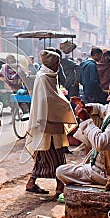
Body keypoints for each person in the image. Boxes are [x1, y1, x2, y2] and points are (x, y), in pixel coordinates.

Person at [25, 50, 77, 196]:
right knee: (56, 155)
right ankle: (59, 186)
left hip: (53, 120)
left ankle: (33, 182)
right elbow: (48, 99)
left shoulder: (48, 75)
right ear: (53, 64)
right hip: (47, 121)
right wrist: (65, 105)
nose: (58, 66)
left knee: (45, 154)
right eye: (57, 63)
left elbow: (53, 96)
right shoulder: (43, 77)